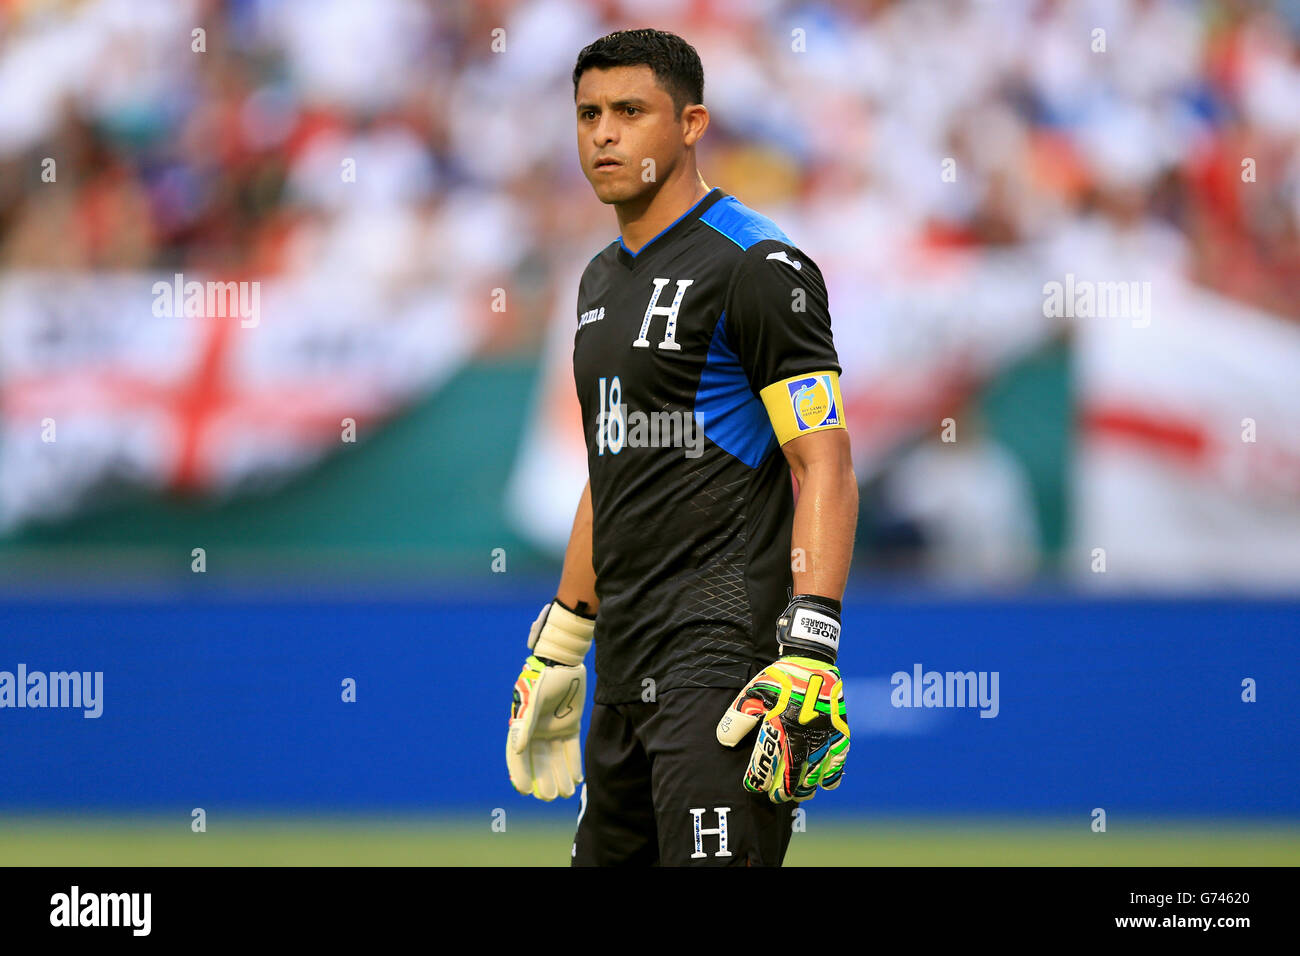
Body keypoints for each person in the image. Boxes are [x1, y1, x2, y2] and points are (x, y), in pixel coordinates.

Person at [506, 28, 857, 866]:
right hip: (625, 673)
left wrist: (811, 645)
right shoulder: (596, 279)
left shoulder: (758, 264)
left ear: (692, 123)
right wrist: (563, 638)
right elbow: (610, 466)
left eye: (631, 111)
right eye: (589, 113)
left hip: (723, 665)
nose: (604, 134)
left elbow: (826, 460)